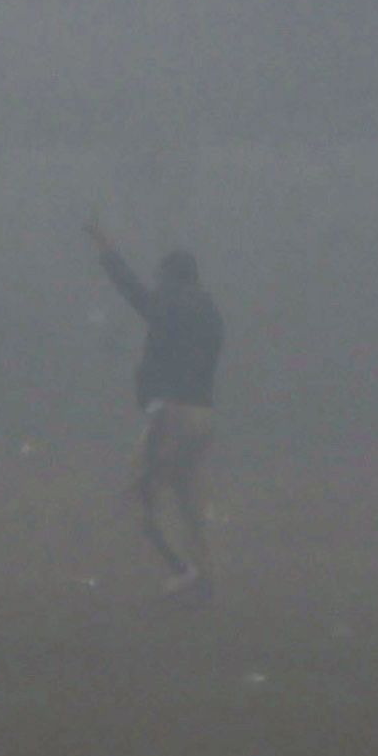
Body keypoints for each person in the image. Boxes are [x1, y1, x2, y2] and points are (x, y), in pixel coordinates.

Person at [87, 223, 224, 599]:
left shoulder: (170, 303)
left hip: (173, 416)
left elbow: (133, 292)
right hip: (204, 416)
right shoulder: (210, 311)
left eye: (161, 277)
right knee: (189, 502)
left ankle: (181, 570)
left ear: (172, 277)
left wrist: (106, 250)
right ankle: (203, 579)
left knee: (139, 496)